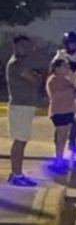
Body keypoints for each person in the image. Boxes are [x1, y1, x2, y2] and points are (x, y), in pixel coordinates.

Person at [6, 35, 43, 187]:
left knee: (20, 141)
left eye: (27, 46)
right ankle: (17, 175)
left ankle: (16, 173)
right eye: (22, 45)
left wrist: (35, 77)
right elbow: (35, 80)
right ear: (15, 46)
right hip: (21, 106)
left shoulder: (20, 63)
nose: (25, 48)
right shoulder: (16, 63)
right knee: (20, 142)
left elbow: (35, 79)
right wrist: (36, 77)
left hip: (23, 106)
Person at [52, 31, 76, 154]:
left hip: (74, 90)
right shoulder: (60, 57)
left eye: (74, 44)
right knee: (61, 119)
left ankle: (72, 142)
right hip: (62, 91)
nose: (73, 46)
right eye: (70, 44)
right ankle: (58, 144)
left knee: (74, 118)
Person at [46, 59, 76, 174]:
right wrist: (70, 90)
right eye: (64, 66)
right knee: (61, 137)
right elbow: (55, 95)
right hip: (59, 111)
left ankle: (60, 159)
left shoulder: (65, 79)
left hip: (68, 110)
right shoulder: (53, 80)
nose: (67, 69)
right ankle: (59, 161)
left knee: (63, 137)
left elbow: (75, 89)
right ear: (57, 68)